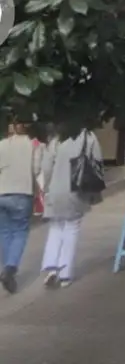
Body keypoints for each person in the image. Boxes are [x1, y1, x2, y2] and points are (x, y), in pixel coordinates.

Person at [40, 122, 104, 288]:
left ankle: (51, 268)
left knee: (55, 227)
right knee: (72, 227)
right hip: (76, 189)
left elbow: (46, 167)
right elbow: (97, 164)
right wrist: (95, 193)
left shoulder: (56, 139)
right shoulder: (88, 137)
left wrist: (47, 187)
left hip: (55, 189)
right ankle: (65, 273)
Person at [0, 119, 42, 293]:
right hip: (22, 193)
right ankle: (10, 268)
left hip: (2, 193)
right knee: (20, 231)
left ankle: (6, 268)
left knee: (4, 231)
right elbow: (36, 169)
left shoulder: (2, 144)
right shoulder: (34, 144)